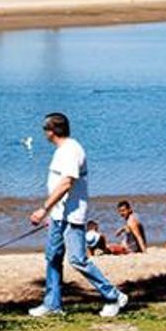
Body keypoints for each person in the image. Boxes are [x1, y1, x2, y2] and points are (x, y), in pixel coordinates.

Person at [28, 113, 128, 318]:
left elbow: (66, 183)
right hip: (59, 215)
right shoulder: (62, 150)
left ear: (51, 131)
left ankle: (114, 296)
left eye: (45, 130)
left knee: (77, 260)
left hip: (72, 216)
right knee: (53, 257)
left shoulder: (71, 150)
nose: (44, 134)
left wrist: (43, 208)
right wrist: (53, 213)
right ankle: (52, 304)